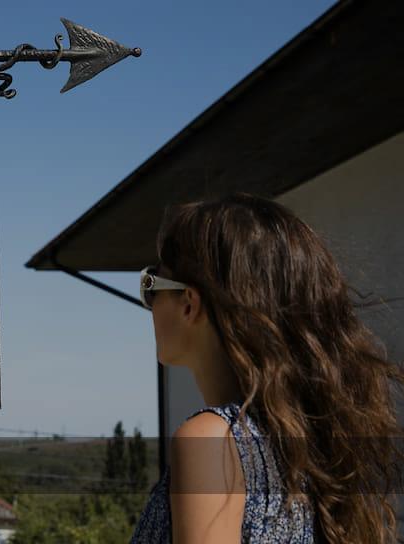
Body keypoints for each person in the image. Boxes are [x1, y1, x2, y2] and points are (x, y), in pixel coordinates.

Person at [130, 193, 404, 543]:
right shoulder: (304, 446)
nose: (149, 304)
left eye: (151, 285)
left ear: (188, 304)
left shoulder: (211, 441)